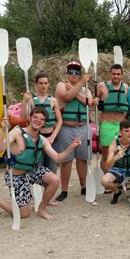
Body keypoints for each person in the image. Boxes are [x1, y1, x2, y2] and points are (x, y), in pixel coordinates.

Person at [0, 107, 82, 220]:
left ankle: (42, 209)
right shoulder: (17, 132)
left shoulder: (42, 140)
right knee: (24, 214)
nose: (38, 120)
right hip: (16, 176)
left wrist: (71, 147)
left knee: (54, 180)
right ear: (30, 118)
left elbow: (58, 158)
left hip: (32, 171)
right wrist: (4, 131)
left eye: (42, 119)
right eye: (35, 117)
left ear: (44, 123)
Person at [54, 61, 93, 201]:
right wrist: (79, 84)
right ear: (67, 73)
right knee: (66, 160)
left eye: (77, 72)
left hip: (83, 127)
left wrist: (77, 87)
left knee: (82, 159)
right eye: (71, 72)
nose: (74, 75)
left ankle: (84, 187)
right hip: (67, 128)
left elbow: (89, 102)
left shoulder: (85, 87)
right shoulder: (61, 85)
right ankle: (64, 190)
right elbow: (66, 97)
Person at [20, 71, 63, 173]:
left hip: (52, 139)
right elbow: (23, 118)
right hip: (36, 139)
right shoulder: (30, 100)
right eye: (41, 83)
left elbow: (60, 121)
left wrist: (53, 137)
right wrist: (24, 102)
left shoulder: (53, 101)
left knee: (52, 170)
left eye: (45, 83)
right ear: (36, 84)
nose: (43, 86)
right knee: (38, 170)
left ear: (48, 84)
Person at [96, 64, 129, 172]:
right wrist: (95, 101)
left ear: (122, 75)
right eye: (114, 74)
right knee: (106, 154)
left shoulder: (126, 87)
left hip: (121, 125)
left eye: (118, 74)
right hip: (107, 124)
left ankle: (119, 178)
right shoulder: (101, 86)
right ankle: (106, 180)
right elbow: (93, 100)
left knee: (121, 152)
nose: (116, 76)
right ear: (110, 74)